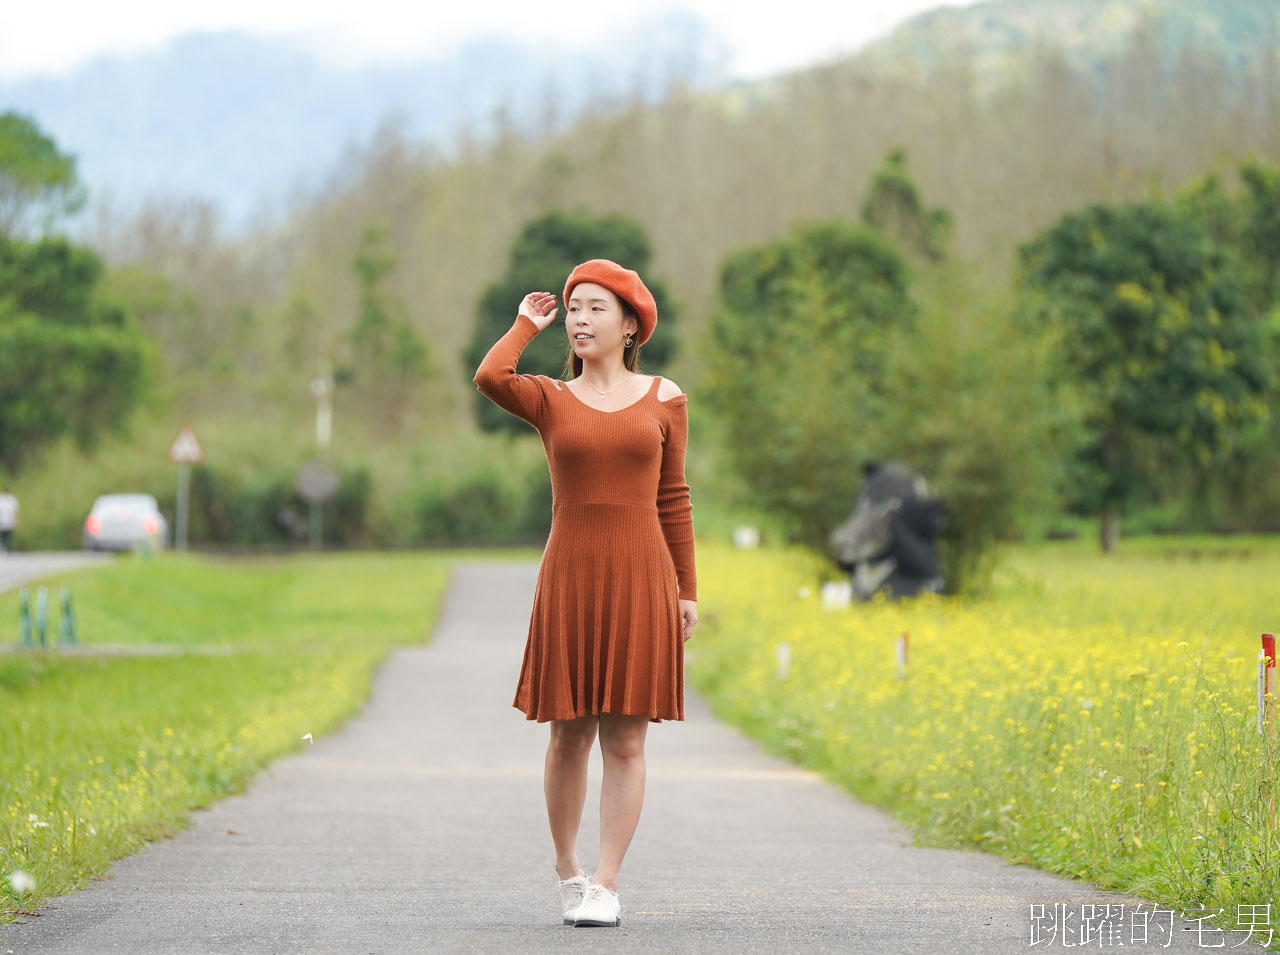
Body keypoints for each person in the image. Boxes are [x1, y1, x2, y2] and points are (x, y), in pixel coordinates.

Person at [473, 259, 697, 929]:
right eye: (573, 309)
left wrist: (687, 589)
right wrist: (524, 324)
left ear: (631, 324)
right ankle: (568, 869)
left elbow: (674, 496)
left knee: (626, 740)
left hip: (642, 575)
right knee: (567, 735)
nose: (579, 319)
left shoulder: (665, 396)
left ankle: (607, 880)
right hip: (570, 574)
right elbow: (490, 377)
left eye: (595, 307)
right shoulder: (549, 397)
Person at [0, 487, 18, 553]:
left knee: (8, 535)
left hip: (9, 520)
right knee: (3, 535)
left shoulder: (11, 499)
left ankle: (8, 548)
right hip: (2, 520)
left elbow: (15, 511)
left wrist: (15, 520)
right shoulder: (1, 499)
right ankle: (3, 547)